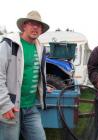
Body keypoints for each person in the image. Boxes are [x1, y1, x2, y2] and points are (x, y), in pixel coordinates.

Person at [0, 10, 49, 140]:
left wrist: (43, 86)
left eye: (38, 25)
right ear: (24, 26)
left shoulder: (40, 48)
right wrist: (4, 104)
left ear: (41, 30)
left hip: (30, 107)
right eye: (31, 23)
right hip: (11, 107)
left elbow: (35, 72)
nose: (35, 27)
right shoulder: (9, 44)